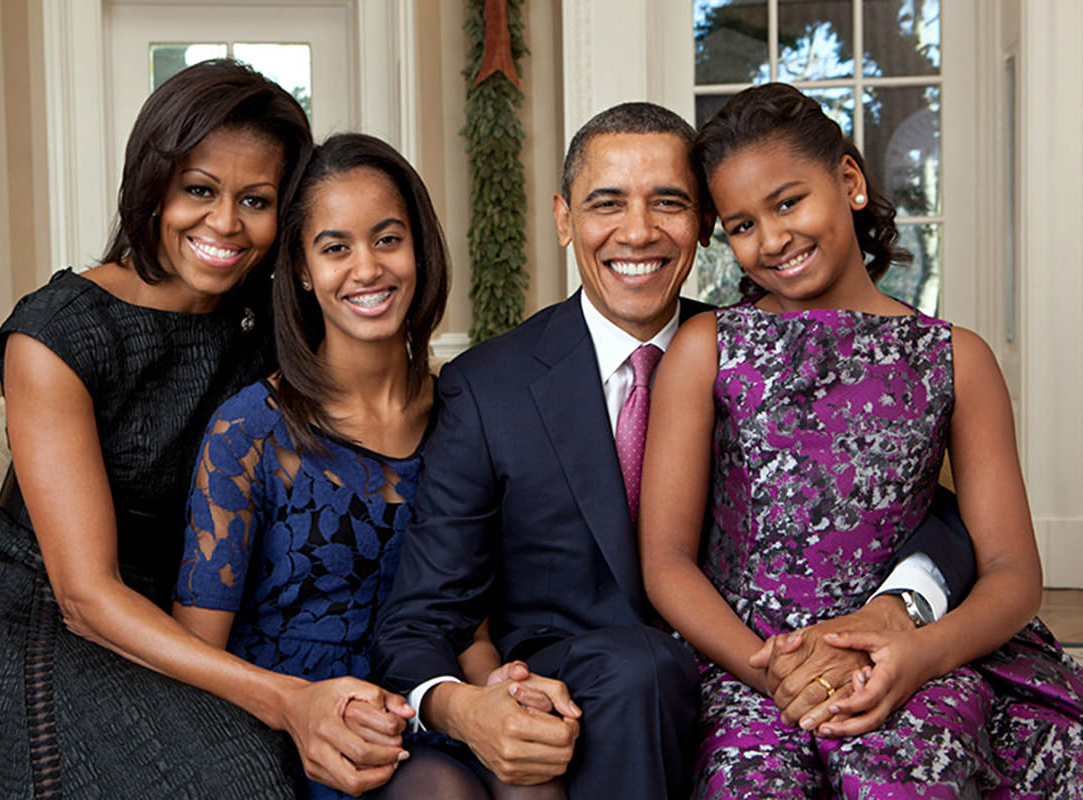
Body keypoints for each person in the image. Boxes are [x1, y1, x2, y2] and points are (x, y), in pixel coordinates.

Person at [371, 101, 977, 799]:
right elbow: (419, 618)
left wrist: (904, 604)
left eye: (669, 203)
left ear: (704, 225)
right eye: (607, 204)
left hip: (761, 673)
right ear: (565, 218)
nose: (638, 231)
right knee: (639, 668)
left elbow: (917, 502)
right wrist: (469, 705)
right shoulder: (488, 387)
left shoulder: (759, 350)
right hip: (593, 694)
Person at [0, 60, 409, 798]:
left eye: (255, 200)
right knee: (239, 779)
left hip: (180, 618)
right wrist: (286, 699)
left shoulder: (271, 327)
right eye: (199, 190)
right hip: (19, 612)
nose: (224, 224)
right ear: (151, 184)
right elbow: (86, 596)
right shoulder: (57, 333)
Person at [639, 83, 1083, 797]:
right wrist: (772, 670)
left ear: (848, 180)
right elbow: (665, 561)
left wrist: (917, 656)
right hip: (751, 663)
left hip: (912, 661)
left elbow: (1011, 572)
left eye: (788, 203)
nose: (773, 240)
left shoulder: (955, 357)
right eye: (743, 224)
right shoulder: (709, 348)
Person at [171, 132, 447, 800]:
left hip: (427, 700)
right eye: (335, 247)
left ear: (420, 249)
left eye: (387, 239)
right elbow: (195, 651)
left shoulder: (466, 413)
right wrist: (298, 710)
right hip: (291, 724)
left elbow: (476, 614)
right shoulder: (251, 431)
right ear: (301, 267)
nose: (367, 268)